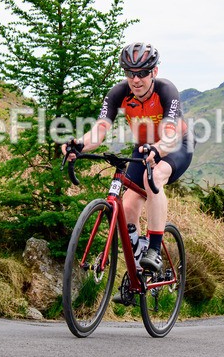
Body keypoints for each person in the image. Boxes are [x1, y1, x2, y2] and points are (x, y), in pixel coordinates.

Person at [62, 42, 192, 277]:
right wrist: (80, 143)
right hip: (143, 149)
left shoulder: (166, 91)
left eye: (142, 73)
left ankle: (154, 250)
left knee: (152, 177)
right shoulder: (119, 93)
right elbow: (100, 129)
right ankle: (138, 270)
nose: (136, 79)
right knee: (129, 206)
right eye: (130, 73)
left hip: (174, 146)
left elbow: (171, 133)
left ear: (154, 72)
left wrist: (158, 149)